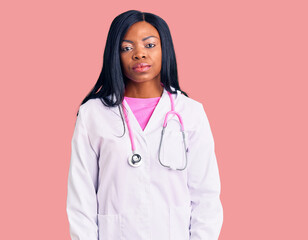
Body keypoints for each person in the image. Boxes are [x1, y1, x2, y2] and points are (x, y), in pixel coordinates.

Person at [66, 10, 223, 240]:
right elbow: (81, 197)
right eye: (127, 48)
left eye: (149, 45)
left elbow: (205, 197)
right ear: (115, 55)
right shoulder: (93, 115)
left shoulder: (190, 113)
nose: (139, 54)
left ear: (164, 49)